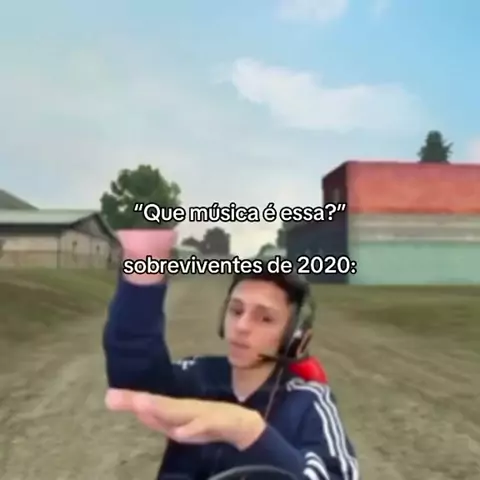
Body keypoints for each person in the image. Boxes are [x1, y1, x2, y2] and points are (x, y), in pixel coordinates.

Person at [103, 229, 360, 480]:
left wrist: (247, 430)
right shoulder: (199, 375)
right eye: (236, 311)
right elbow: (135, 375)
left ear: (296, 338)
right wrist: (141, 280)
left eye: (265, 318)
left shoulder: (307, 402)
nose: (242, 326)